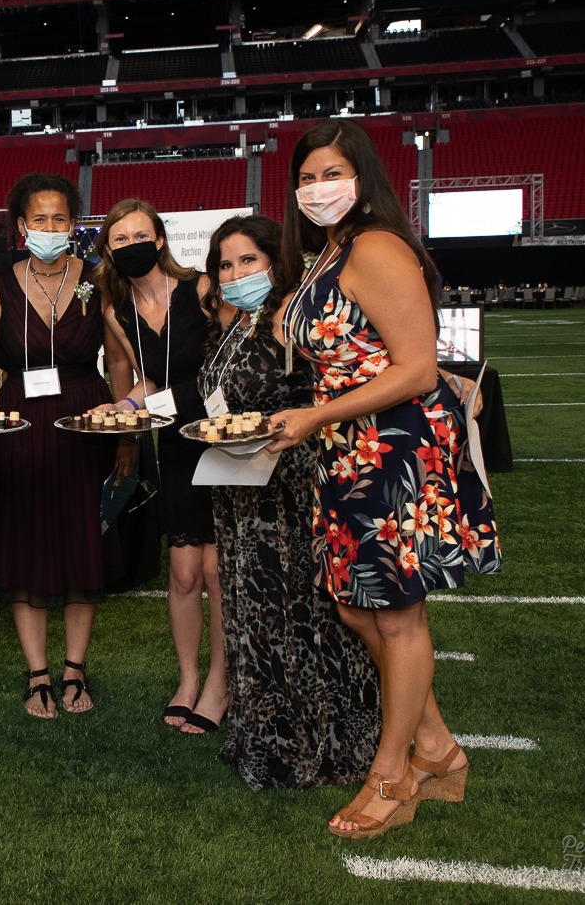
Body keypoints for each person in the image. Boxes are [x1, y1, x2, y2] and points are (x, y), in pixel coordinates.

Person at [268, 118, 502, 838]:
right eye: (306, 178)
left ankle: (394, 773)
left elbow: (417, 369)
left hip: (390, 448)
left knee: (396, 615)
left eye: (331, 173)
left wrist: (317, 415)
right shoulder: (329, 251)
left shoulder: (374, 245)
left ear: (362, 177)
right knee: (356, 607)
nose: (316, 189)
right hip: (349, 448)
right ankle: (435, 746)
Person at [198, 214, 380, 789]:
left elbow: (351, 375)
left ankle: (320, 745)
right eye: (225, 265)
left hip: (289, 488)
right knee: (253, 615)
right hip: (239, 491)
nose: (235, 273)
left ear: (276, 260)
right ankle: (266, 735)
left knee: (301, 615)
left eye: (248, 260)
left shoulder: (291, 317)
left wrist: (448, 378)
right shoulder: (238, 322)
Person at [0, 173, 132, 718]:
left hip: (84, 420)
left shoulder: (99, 279)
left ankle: (75, 669)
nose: (50, 228)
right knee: (26, 545)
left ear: (74, 225)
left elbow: (118, 360)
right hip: (21, 424)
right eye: (39, 219)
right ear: (21, 227)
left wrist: (124, 431)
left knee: (80, 543)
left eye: (60, 219)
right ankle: (37, 673)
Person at [92, 199, 225, 735]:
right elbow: (149, 379)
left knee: (217, 573)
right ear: (108, 249)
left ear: (162, 240)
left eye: (138, 236)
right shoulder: (115, 311)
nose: (130, 247)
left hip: (219, 439)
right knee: (184, 572)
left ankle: (221, 682)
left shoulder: (199, 288)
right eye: (118, 240)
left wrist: (148, 402)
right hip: (172, 444)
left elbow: (226, 366)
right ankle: (188, 679)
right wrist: (123, 406)